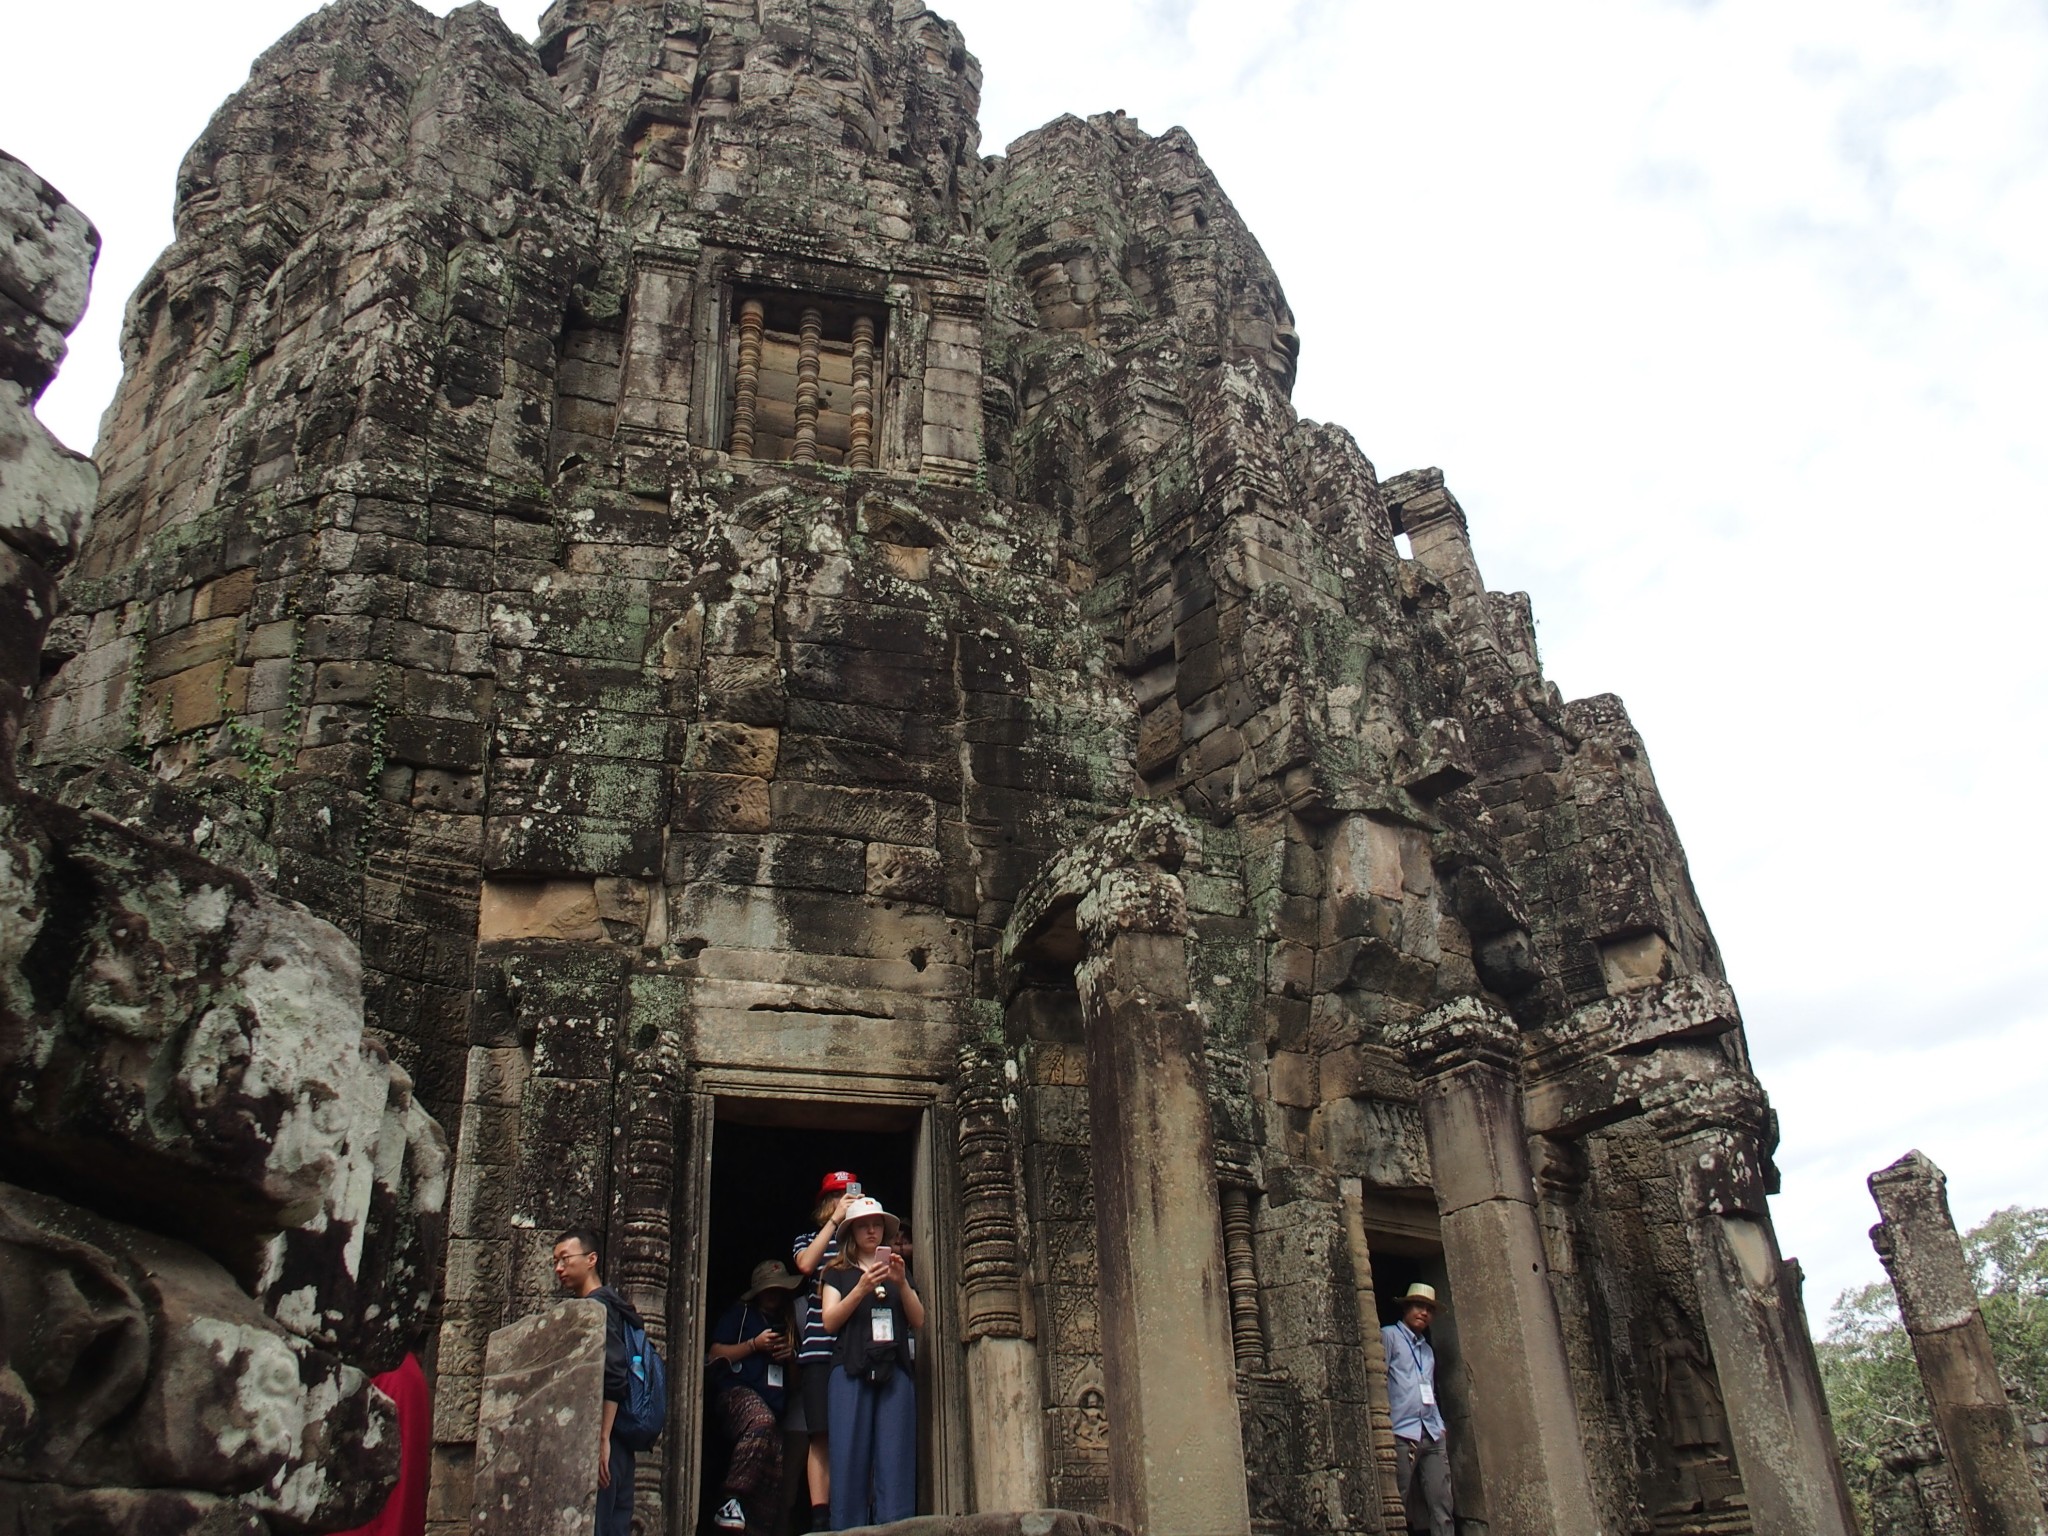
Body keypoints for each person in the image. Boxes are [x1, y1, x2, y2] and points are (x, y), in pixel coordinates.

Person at [819, 1196, 922, 1531]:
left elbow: (918, 1320)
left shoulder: (896, 1269)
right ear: (852, 1231)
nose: (872, 1231)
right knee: (848, 1459)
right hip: (850, 1369)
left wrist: (902, 1282)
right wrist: (862, 1288)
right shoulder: (837, 1272)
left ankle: (896, 1527)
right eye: (864, 1225)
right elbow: (830, 1321)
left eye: (877, 1225)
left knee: (896, 1459)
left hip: (894, 1370)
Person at [555, 1227, 645, 1536]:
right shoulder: (616, 1305)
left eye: (565, 1258)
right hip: (621, 1441)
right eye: (555, 1261)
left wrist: (602, 1438)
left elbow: (614, 1374)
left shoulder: (599, 1307)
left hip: (606, 1437)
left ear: (591, 1259)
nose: (559, 1268)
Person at [707, 1260, 806, 1532]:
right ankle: (732, 1498)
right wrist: (754, 1344)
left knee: (773, 1481)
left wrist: (791, 1358)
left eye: (779, 1289)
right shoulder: (740, 1316)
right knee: (759, 1421)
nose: (774, 1294)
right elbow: (714, 1354)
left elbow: (796, 1386)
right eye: (769, 1289)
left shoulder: (787, 1324)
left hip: (776, 1411)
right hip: (737, 1395)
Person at [793, 1171, 860, 1528]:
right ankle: (820, 1517)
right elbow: (805, 1264)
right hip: (818, 1350)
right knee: (820, 1434)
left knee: (853, 1431)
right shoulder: (808, 1238)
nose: (844, 1202)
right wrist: (835, 1223)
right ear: (825, 1204)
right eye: (837, 1197)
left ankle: (850, 1512)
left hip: (854, 1350)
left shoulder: (859, 1241)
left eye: (848, 1195)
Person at [1380, 1282, 1453, 1536]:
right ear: (1407, 1308)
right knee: (1396, 1499)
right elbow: (1380, 1378)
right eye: (1419, 1306)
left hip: (1430, 1431)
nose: (1424, 1313)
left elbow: (1429, 1391)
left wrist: (1440, 1425)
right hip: (1402, 1430)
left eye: (1429, 1310)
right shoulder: (1389, 1336)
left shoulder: (1427, 1350)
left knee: (1441, 1501)